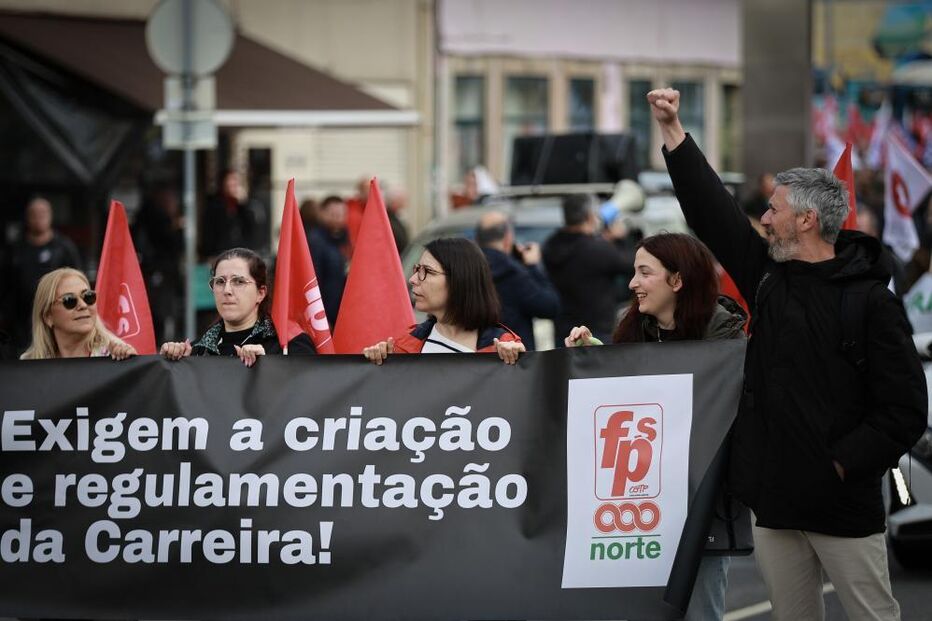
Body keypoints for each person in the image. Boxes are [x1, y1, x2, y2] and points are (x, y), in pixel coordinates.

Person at [649, 87, 926, 621]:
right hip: (774, 504)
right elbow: (716, 217)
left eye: (774, 209)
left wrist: (842, 464)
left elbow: (906, 409)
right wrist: (673, 132)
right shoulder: (770, 279)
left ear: (806, 221)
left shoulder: (871, 301)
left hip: (843, 506)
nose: (764, 219)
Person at [565, 233, 747, 621]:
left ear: (677, 281)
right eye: (633, 272)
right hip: (641, 502)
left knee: (700, 609)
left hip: (699, 502)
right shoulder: (632, 328)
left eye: (644, 272)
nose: (632, 283)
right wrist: (594, 361)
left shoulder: (724, 334)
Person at [362, 237, 525, 364]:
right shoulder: (404, 345)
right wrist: (378, 364)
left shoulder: (503, 349)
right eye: (417, 269)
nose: (413, 279)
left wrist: (520, 363)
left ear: (460, 280)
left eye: (427, 271)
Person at [160, 248, 315, 366]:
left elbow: (309, 396)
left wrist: (270, 365)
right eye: (220, 282)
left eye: (239, 282)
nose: (226, 290)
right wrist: (173, 363)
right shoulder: (198, 351)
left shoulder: (290, 344)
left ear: (261, 293)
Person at [543, 194, 635, 345]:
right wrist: (620, 239)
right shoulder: (597, 249)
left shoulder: (551, 246)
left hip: (564, 332)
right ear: (589, 216)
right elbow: (631, 263)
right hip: (595, 334)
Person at [2, 196, 83, 353]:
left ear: (50, 216)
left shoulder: (64, 248)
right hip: (21, 323)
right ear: (27, 217)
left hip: (56, 319)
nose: (38, 218)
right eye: (34, 214)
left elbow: (78, 282)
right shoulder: (15, 249)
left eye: (43, 213)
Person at [475, 210, 560, 350]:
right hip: (515, 357)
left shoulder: (468, 269)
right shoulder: (513, 272)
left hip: (478, 355)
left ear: (477, 239)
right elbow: (550, 306)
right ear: (508, 238)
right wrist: (532, 267)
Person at [20, 267, 135, 360]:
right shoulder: (30, 365)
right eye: (70, 300)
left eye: (88, 297)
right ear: (48, 316)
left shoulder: (117, 356)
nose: (83, 305)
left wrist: (130, 361)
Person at [306, 195, 348, 326]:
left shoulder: (345, 239)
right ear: (322, 213)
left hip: (341, 313)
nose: (337, 218)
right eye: (333, 214)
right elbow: (314, 280)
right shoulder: (315, 241)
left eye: (341, 214)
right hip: (324, 316)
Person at [201, 169, 260, 259]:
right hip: (220, 256)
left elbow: (252, 231)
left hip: (240, 256)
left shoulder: (244, 208)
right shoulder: (215, 206)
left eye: (235, 184)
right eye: (230, 184)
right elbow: (209, 235)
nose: (233, 188)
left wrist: (244, 204)